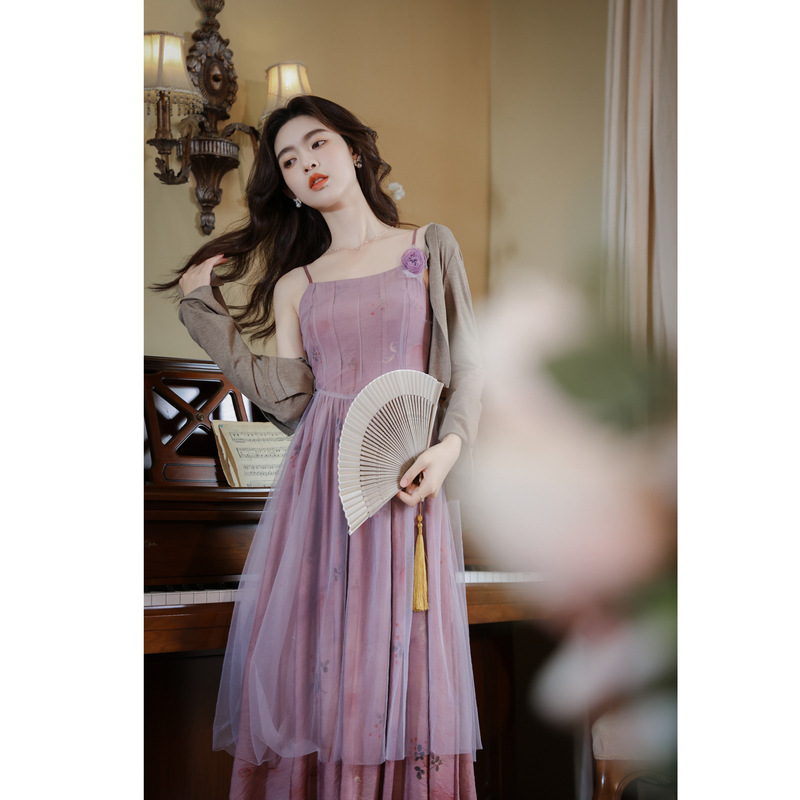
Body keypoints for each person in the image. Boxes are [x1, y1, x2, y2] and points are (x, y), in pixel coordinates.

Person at [158, 95, 483, 800]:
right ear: (287, 187)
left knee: (400, 663)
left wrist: (450, 448)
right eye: (287, 159)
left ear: (354, 151)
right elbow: (289, 402)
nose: (305, 162)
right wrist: (201, 309)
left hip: (406, 485)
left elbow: (467, 364)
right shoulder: (296, 286)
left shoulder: (429, 245)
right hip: (320, 492)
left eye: (317, 143)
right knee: (324, 664)